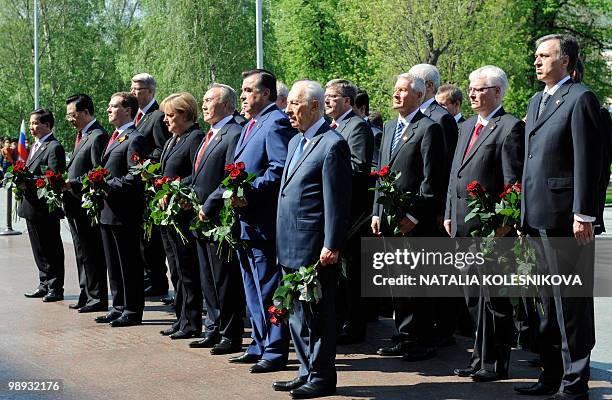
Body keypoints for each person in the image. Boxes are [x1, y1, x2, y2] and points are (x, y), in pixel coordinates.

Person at [514, 34, 602, 400]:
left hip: (567, 218)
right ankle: (550, 375)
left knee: (570, 303)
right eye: (535, 55)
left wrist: (584, 213)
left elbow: (590, 160)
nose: (536, 61)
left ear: (565, 61)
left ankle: (574, 382)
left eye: (544, 56)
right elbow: (530, 161)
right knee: (545, 304)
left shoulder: (581, 98)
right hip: (536, 217)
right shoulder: (537, 100)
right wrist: (522, 215)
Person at [444, 66, 525, 382]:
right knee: (473, 297)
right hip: (463, 228)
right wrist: (450, 210)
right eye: (471, 88)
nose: (473, 94)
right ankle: (478, 358)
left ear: (497, 92)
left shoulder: (509, 127)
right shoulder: (465, 127)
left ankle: (496, 361)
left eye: (480, 89)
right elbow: (456, 175)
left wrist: (503, 226)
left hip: (492, 232)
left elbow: (513, 184)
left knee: (495, 299)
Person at [272, 79, 351, 399]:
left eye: (295, 104)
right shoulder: (295, 142)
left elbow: (337, 200)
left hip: (315, 247)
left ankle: (321, 376)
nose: (289, 110)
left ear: (316, 107)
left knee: (318, 314)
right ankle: (305, 370)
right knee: (296, 313)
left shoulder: (332, 144)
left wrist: (332, 243)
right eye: (288, 103)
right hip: (289, 243)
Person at [226, 69, 296, 373]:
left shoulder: (276, 121)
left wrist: (249, 192)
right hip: (246, 221)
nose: (242, 96)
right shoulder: (251, 124)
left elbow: (279, 169)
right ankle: (258, 342)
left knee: (269, 288)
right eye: (242, 91)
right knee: (251, 288)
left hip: (263, 221)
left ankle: (276, 348)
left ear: (265, 93)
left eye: (248, 90)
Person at [371, 73, 445, 361]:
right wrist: (377, 211)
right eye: (395, 90)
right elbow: (381, 173)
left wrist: (415, 214)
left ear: (418, 95)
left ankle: (423, 341)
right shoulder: (390, 127)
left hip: (415, 221)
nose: (396, 95)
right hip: (389, 219)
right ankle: (404, 336)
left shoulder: (429, 128)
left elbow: (432, 179)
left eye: (403, 90)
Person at [187, 84, 246, 355]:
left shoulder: (233, 132)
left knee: (224, 280)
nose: (204, 104)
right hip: (200, 218)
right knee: (207, 277)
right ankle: (212, 327)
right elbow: (199, 174)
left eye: (209, 100)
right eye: (204, 100)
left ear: (226, 105)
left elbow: (230, 177)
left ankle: (229, 334)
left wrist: (210, 203)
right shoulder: (208, 134)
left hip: (219, 217)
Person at [324, 79, 373, 344]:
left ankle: (355, 327)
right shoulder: (332, 126)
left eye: (332, 96)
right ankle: (343, 320)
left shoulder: (357, 127)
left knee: (352, 272)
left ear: (347, 101)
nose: (327, 101)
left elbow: (358, 167)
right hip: (336, 209)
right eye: (326, 96)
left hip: (352, 213)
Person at [94, 92, 149, 327]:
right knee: (114, 263)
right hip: (108, 209)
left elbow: (135, 177)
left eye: (113, 106)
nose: (108, 109)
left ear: (128, 110)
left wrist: (106, 184)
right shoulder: (115, 137)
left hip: (125, 211)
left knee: (129, 263)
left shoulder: (134, 138)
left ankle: (132, 309)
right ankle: (118, 306)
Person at [156, 92, 204, 339]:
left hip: (183, 214)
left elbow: (198, 174)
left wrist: (174, 188)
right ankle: (180, 317)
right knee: (174, 268)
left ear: (185, 115)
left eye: (170, 115)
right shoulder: (172, 140)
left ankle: (192, 321)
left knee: (187, 269)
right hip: (168, 214)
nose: (166, 120)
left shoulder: (195, 137)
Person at [63, 93, 109, 312]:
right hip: (74, 203)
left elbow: (97, 171)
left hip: (87, 204)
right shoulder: (82, 135)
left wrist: (73, 183)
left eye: (72, 115)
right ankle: (86, 293)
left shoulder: (97, 135)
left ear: (85, 112)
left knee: (92, 252)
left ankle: (97, 297)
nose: (70, 119)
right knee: (81, 251)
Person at [130, 73, 171, 298]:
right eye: (133, 88)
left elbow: (163, 148)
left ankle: (157, 281)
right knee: (142, 240)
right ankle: (149, 277)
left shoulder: (157, 116)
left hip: (151, 185)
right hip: (135, 187)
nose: (134, 92)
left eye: (139, 89)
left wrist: (144, 161)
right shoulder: (136, 116)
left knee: (151, 240)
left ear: (151, 92)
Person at [20, 109, 66, 302]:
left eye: (35, 123)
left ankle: (55, 287)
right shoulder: (35, 146)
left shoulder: (53, 147)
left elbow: (53, 177)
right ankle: (44, 283)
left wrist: (28, 181)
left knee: (51, 248)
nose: (32, 127)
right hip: (31, 206)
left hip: (45, 208)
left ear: (47, 125)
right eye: (30, 124)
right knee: (39, 249)